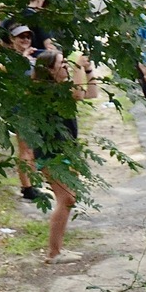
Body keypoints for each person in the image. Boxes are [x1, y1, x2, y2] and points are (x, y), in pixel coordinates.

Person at [31, 51, 98, 265]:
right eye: (63, 64)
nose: (67, 67)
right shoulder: (46, 91)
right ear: (50, 70)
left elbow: (92, 94)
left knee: (68, 199)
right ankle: (53, 252)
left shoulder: (61, 88)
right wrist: (78, 66)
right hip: (52, 153)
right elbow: (78, 94)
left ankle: (57, 249)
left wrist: (87, 69)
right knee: (66, 198)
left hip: (66, 150)